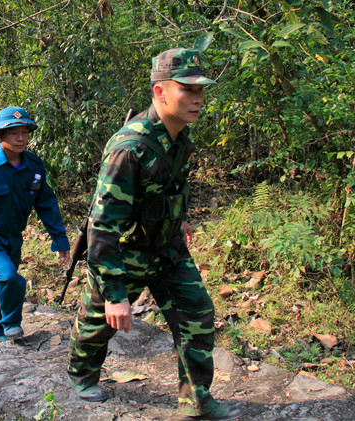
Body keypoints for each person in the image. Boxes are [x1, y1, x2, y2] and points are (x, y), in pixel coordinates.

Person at [66, 49, 243, 421]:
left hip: (167, 249)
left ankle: (196, 398)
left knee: (197, 314)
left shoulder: (181, 138)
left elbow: (167, 188)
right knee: (99, 321)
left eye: (201, 90)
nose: (198, 98)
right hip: (124, 252)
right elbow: (102, 227)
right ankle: (81, 374)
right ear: (160, 92)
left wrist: (177, 219)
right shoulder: (128, 148)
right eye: (188, 89)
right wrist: (115, 295)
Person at [0, 106, 70, 341]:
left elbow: (46, 203)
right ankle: (12, 325)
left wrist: (60, 239)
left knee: (3, 281)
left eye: (25, 132)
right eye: (13, 133)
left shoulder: (34, 167)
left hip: (13, 235)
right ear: (0, 135)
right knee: (9, 277)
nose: (21, 138)